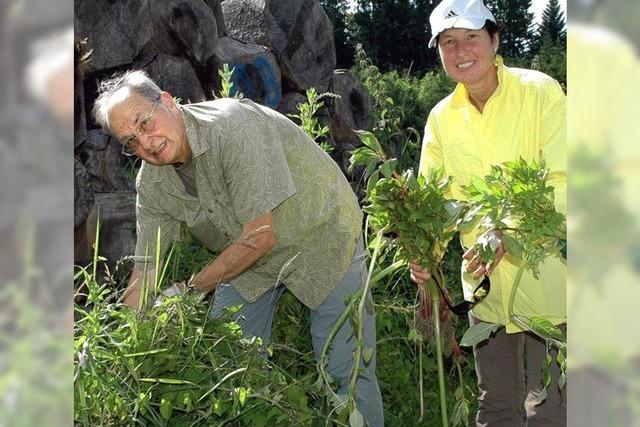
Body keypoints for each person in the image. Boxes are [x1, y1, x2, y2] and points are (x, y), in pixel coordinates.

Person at [92, 70, 383, 426]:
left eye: (144, 122)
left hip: (322, 232)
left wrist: (186, 291)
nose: (146, 142)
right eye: (131, 141)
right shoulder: (152, 184)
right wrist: (122, 340)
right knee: (226, 359)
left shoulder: (232, 128)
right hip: (250, 258)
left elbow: (260, 236)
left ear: (167, 101)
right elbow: (146, 268)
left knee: (343, 371)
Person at [409, 0, 566, 426]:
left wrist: (507, 233)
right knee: (495, 406)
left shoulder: (541, 93)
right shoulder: (442, 119)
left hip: (546, 281)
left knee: (549, 409)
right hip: (485, 288)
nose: (460, 50)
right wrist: (425, 250)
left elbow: (564, 181)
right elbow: (433, 202)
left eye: (471, 37)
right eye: (448, 41)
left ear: (495, 40)